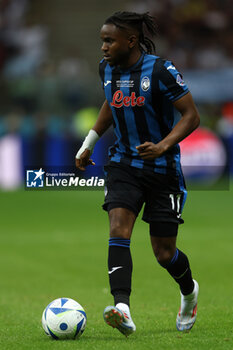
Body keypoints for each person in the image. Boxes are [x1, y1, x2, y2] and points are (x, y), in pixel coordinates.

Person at [75, 11, 200, 336]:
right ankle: (122, 308)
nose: (103, 47)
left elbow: (191, 116)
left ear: (130, 41)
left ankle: (189, 292)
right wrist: (89, 142)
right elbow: (110, 103)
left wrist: (162, 145)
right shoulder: (107, 69)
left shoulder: (160, 70)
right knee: (118, 227)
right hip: (123, 165)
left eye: (108, 40)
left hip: (163, 170)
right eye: (102, 40)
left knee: (164, 253)